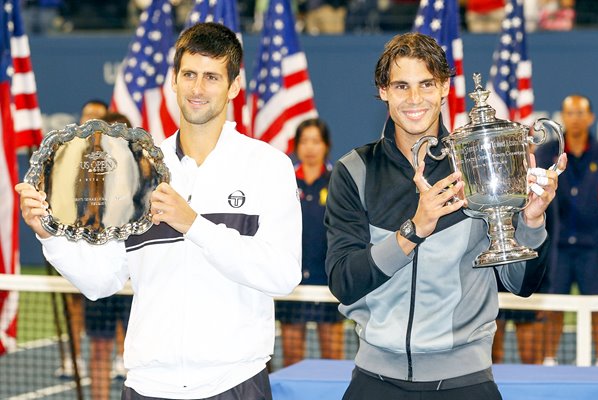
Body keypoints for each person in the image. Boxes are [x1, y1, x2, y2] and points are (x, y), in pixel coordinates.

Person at [16, 22, 301, 400]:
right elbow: (103, 280)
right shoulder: (136, 168)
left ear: (233, 86)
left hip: (235, 382)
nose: (198, 89)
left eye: (212, 77)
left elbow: (282, 275)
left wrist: (194, 225)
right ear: (174, 80)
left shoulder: (267, 165)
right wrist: (48, 233)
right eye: (189, 75)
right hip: (148, 386)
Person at [323, 32, 567, 399]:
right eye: (401, 86)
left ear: (443, 89)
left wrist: (531, 222)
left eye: (426, 84)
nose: (415, 99)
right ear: (383, 91)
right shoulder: (354, 170)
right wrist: (413, 230)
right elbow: (343, 281)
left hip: (466, 382)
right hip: (375, 381)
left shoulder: (476, 165)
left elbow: (521, 284)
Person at [535, 94, 598, 366]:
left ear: (590, 118)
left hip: (592, 247)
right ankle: (549, 360)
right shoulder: (546, 152)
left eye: (580, 113)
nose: (574, 119)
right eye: (569, 113)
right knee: (553, 306)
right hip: (557, 246)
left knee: (597, 307)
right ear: (563, 118)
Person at [275, 118, 345, 367]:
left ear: (325, 145)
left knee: (333, 359)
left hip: (329, 284)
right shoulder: (284, 180)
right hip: (292, 285)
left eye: (316, 141)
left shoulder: (338, 180)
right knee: (292, 359)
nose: (310, 148)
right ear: (296, 146)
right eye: (305, 141)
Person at [54, 98, 109, 379]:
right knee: (73, 304)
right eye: (88, 116)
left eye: (98, 118)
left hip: (107, 242)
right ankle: (73, 358)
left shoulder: (116, 159)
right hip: (74, 240)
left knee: (114, 301)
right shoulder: (68, 155)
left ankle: (121, 357)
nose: (92, 123)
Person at [82, 111, 134, 400]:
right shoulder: (88, 180)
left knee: (137, 350)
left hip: (135, 279)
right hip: (99, 275)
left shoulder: (144, 177)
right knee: (100, 348)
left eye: (119, 134)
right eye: (107, 134)